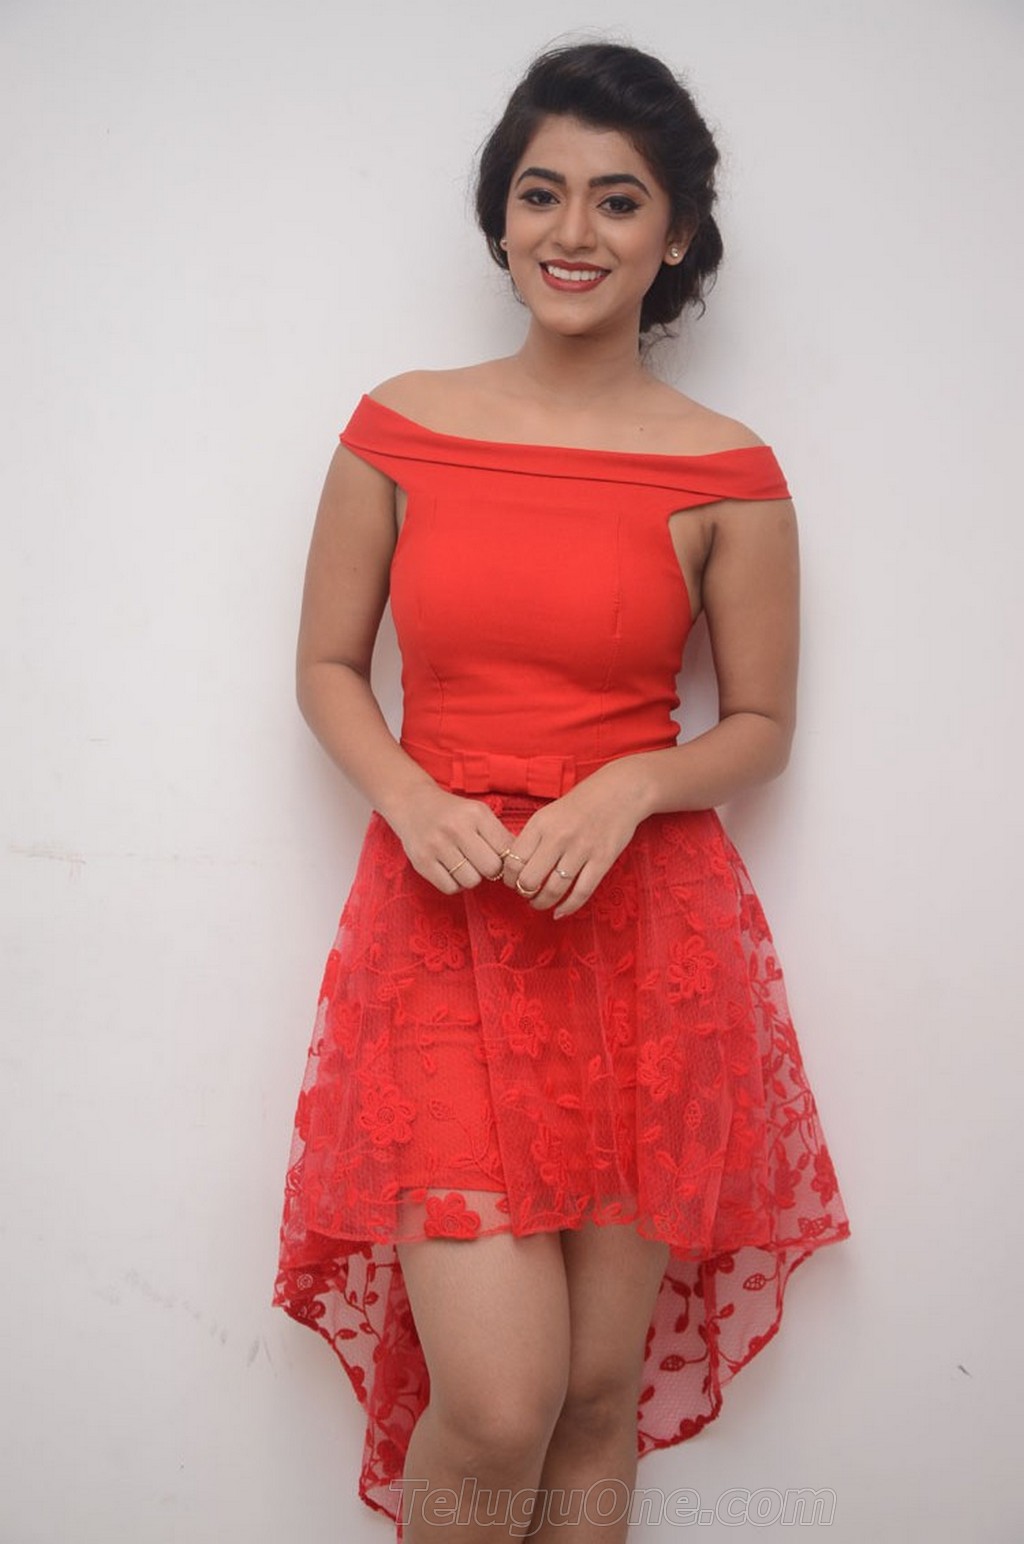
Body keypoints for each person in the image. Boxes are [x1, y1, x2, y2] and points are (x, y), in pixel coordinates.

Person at [272, 39, 851, 1544]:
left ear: (678, 236)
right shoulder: (399, 428)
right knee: (498, 1399)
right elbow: (327, 668)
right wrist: (410, 797)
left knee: (596, 1393)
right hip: (446, 925)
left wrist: (637, 781)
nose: (573, 231)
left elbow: (763, 726)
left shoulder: (727, 469)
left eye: (618, 198)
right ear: (501, 217)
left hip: (646, 940)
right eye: (541, 194)